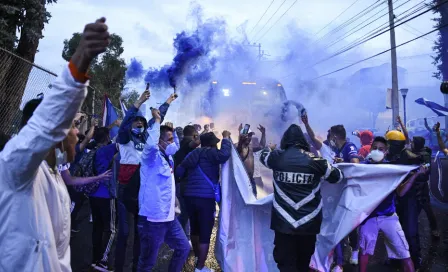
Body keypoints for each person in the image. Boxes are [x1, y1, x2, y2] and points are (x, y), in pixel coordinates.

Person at [0, 17, 109, 271]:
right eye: (72, 126)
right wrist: (77, 67)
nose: (78, 133)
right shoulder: (15, 168)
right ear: (55, 133)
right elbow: (44, 126)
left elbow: (59, 251)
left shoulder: (55, 172)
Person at [259, 123, 344, 272]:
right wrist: (337, 164)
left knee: (285, 264)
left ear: (285, 139)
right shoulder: (316, 161)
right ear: (303, 141)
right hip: (309, 222)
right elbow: (337, 177)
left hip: (283, 222)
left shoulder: (277, 157)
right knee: (303, 263)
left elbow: (262, 155)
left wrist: (270, 147)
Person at [115, 90, 175, 272]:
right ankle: (117, 267)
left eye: (141, 121)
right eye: (136, 121)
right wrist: (139, 101)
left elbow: (157, 120)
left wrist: (167, 102)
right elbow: (125, 121)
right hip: (126, 188)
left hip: (142, 188)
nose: (140, 123)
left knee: (141, 234)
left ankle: (136, 268)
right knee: (124, 232)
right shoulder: (125, 138)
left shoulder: (146, 138)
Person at [137, 108, 190, 272]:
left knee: (183, 248)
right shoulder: (150, 157)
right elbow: (151, 145)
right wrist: (157, 121)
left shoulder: (168, 157)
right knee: (148, 262)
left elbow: (177, 145)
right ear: (158, 141)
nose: (172, 141)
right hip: (153, 219)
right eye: (168, 139)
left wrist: (172, 131)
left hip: (169, 216)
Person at [358, 136, 416, 272]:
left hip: (389, 216)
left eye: (381, 149)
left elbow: (400, 192)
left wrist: (415, 175)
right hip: (368, 216)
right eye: (375, 148)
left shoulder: (392, 169)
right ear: (370, 149)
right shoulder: (362, 168)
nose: (377, 151)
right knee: (364, 252)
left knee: (404, 252)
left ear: (386, 151)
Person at [176, 131, 232, 272]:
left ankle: (197, 259)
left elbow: (179, 171)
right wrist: (226, 139)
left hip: (189, 196)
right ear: (212, 144)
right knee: (205, 233)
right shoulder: (211, 153)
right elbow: (225, 154)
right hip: (205, 198)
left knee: (194, 228)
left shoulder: (193, 153)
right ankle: (200, 268)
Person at [385, 130, 426, 269]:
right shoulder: (394, 155)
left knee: (410, 230)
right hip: (397, 198)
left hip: (410, 199)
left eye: (389, 143)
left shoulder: (408, 156)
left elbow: (422, 168)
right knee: (397, 230)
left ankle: (415, 259)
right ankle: (397, 258)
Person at [88, 127, 119, 271]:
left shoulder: (93, 150)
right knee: (111, 229)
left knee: (97, 227)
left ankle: (95, 259)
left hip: (93, 193)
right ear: (107, 137)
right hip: (106, 194)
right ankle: (104, 261)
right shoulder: (108, 149)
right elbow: (124, 140)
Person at [329, 124, 360, 269]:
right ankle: (339, 261)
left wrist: (344, 162)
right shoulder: (335, 149)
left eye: (331, 135)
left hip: (350, 193)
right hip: (338, 192)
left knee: (350, 225)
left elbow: (356, 164)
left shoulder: (350, 146)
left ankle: (355, 251)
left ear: (335, 136)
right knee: (338, 226)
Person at [173, 125, 201, 244]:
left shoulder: (180, 144)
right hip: (185, 184)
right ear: (193, 134)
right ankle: (180, 240)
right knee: (184, 214)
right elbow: (192, 145)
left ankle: (184, 238)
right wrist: (200, 138)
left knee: (185, 214)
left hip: (183, 183)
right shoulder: (186, 143)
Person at [411, 136, 439, 238]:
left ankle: (434, 229)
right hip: (416, 184)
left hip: (421, 185)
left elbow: (425, 170)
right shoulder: (425, 151)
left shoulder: (424, 155)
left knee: (426, 207)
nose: (412, 144)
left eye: (413, 142)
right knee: (416, 207)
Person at [236, 124, 266, 197]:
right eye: (247, 136)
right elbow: (240, 146)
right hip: (242, 180)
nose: (249, 138)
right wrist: (240, 134)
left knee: (254, 199)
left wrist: (263, 133)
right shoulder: (237, 148)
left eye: (250, 136)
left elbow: (262, 146)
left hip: (251, 180)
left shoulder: (251, 147)